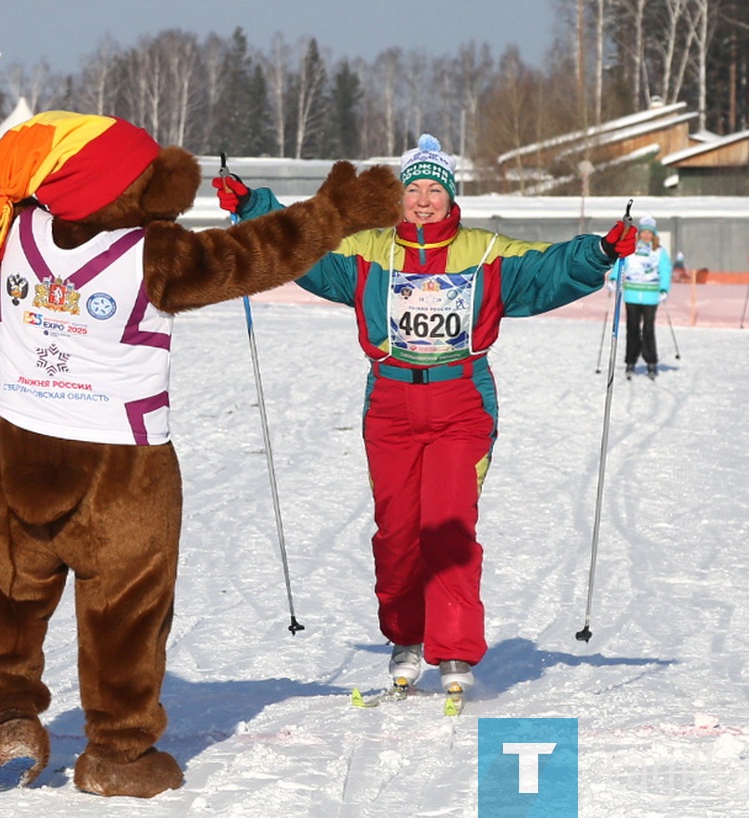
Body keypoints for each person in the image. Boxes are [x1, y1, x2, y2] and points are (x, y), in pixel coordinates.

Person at [213, 134, 637, 695]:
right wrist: (252, 209)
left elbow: (547, 268)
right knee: (398, 532)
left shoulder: (486, 252)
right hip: (389, 402)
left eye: (434, 189)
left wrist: (599, 252)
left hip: (461, 401)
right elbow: (303, 244)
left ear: (451, 196)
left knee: (449, 525)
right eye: (415, 188)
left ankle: (455, 651)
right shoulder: (366, 251)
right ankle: (406, 636)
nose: (423, 200)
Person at [609, 215, 672, 380]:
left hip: (651, 295)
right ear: (640, 234)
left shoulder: (659, 251)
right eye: (643, 233)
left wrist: (664, 288)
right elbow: (620, 262)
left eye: (649, 233)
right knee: (632, 329)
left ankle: (651, 362)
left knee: (649, 329)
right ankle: (631, 361)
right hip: (632, 294)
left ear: (653, 235)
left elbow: (665, 270)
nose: (646, 236)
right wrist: (614, 278)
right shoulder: (631, 248)